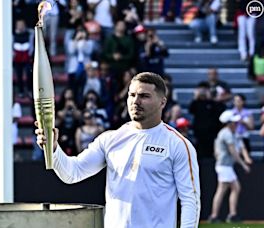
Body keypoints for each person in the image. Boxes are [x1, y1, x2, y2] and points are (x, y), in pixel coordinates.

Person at [35, 72, 201, 227]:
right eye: (132, 95)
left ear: (162, 102)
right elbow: (72, 173)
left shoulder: (178, 145)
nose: (136, 101)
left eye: (144, 96)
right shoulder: (111, 139)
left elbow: (190, 201)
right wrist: (53, 148)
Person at [208, 110, 252, 223]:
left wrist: (246, 158)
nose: (236, 124)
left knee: (234, 188)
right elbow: (233, 152)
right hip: (224, 166)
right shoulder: (226, 133)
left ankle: (231, 214)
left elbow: (241, 147)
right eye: (234, 122)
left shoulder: (232, 133)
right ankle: (216, 216)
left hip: (226, 166)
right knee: (223, 189)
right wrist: (243, 164)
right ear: (229, 123)